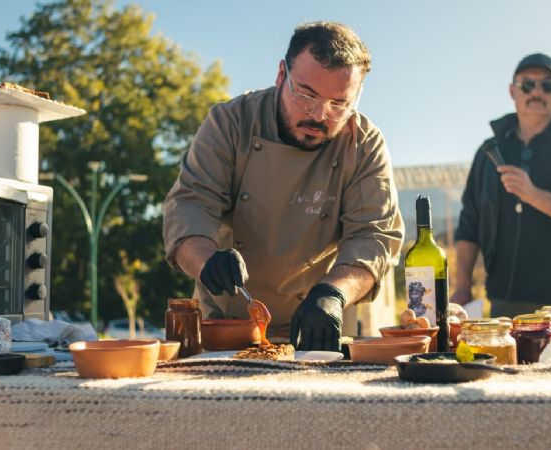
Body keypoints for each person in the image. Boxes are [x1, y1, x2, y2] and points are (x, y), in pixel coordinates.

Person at [162, 22, 403, 351]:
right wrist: (207, 261)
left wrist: (333, 293)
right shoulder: (230, 122)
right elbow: (190, 207)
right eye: (306, 95)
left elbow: (373, 237)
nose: (319, 115)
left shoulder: (365, 144)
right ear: (281, 75)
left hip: (316, 328)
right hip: (224, 325)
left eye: (339, 104)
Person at [452, 53, 551, 318]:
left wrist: (532, 194)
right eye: (527, 85)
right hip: (505, 299)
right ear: (512, 91)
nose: (537, 92)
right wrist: (462, 287)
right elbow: (470, 223)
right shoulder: (489, 152)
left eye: (547, 85)